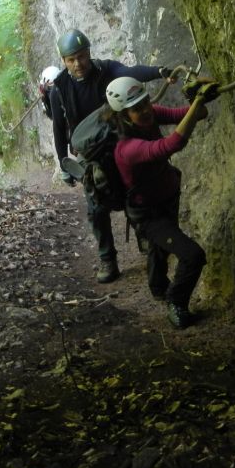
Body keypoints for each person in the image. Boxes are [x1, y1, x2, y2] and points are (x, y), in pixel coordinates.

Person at [49, 29, 173, 284]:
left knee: (133, 192)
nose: (78, 63)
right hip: (90, 155)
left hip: (117, 144)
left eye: (81, 57)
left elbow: (130, 72)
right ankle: (108, 258)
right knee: (97, 206)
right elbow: (59, 129)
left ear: (89, 53)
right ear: (63, 61)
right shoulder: (59, 90)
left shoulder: (105, 71)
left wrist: (159, 72)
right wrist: (63, 164)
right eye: (71, 59)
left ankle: (144, 234)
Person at [104, 76, 217, 329]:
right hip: (148, 213)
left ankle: (158, 287)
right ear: (123, 115)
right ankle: (176, 302)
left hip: (166, 197)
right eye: (136, 108)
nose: (145, 110)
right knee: (193, 255)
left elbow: (195, 114)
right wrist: (198, 100)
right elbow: (172, 144)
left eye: (145, 102)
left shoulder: (150, 114)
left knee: (160, 246)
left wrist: (198, 99)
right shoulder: (127, 148)